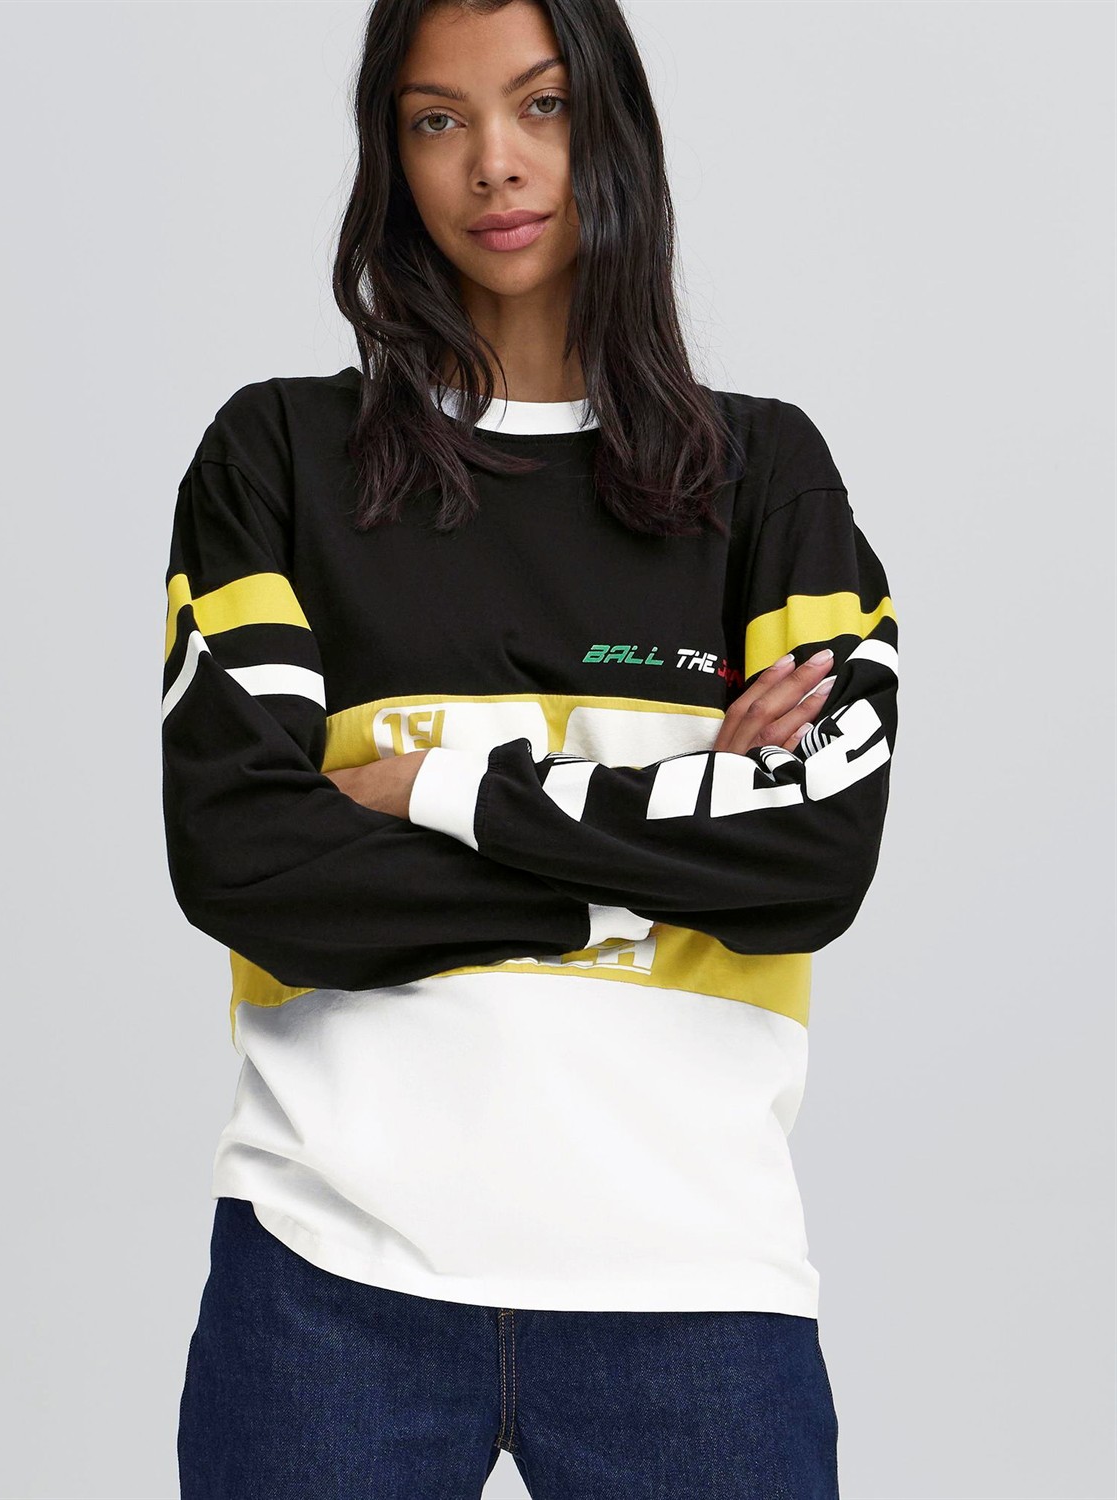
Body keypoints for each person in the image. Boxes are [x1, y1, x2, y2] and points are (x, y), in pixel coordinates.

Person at [164, 0, 898, 1494]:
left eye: (541, 105)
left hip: (697, 1289)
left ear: (612, 123)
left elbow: (813, 854)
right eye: (437, 120)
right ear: (391, 158)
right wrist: (663, 864)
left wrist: (428, 789)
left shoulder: (764, 476)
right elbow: (247, 862)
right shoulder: (278, 459)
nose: (493, 161)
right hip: (326, 1282)